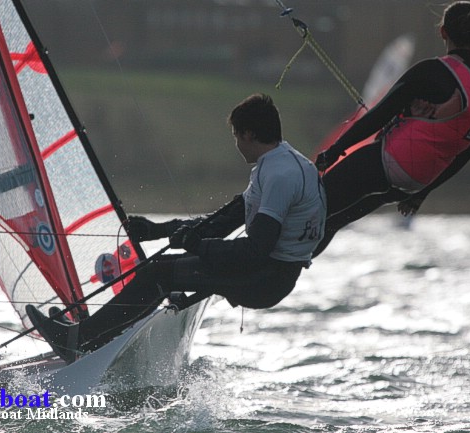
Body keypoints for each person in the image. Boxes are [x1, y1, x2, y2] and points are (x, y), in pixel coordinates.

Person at [26, 93, 327, 363]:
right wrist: (157, 230)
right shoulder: (282, 163)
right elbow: (220, 223)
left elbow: (254, 250)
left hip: (264, 279)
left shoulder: (279, 175)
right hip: (266, 273)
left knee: (156, 273)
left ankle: (80, 341)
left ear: (248, 134)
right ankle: (95, 335)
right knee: (159, 269)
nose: (236, 144)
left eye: (237, 136)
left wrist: (198, 246)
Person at [313, 1, 470, 257]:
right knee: (334, 221)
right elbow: (465, 153)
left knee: (316, 203)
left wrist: (336, 150)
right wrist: (420, 194)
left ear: (442, 31)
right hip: (412, 183)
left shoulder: (431, 71)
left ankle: (277, 262)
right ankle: (295, 265)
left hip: (386, 163)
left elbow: (378, 116)